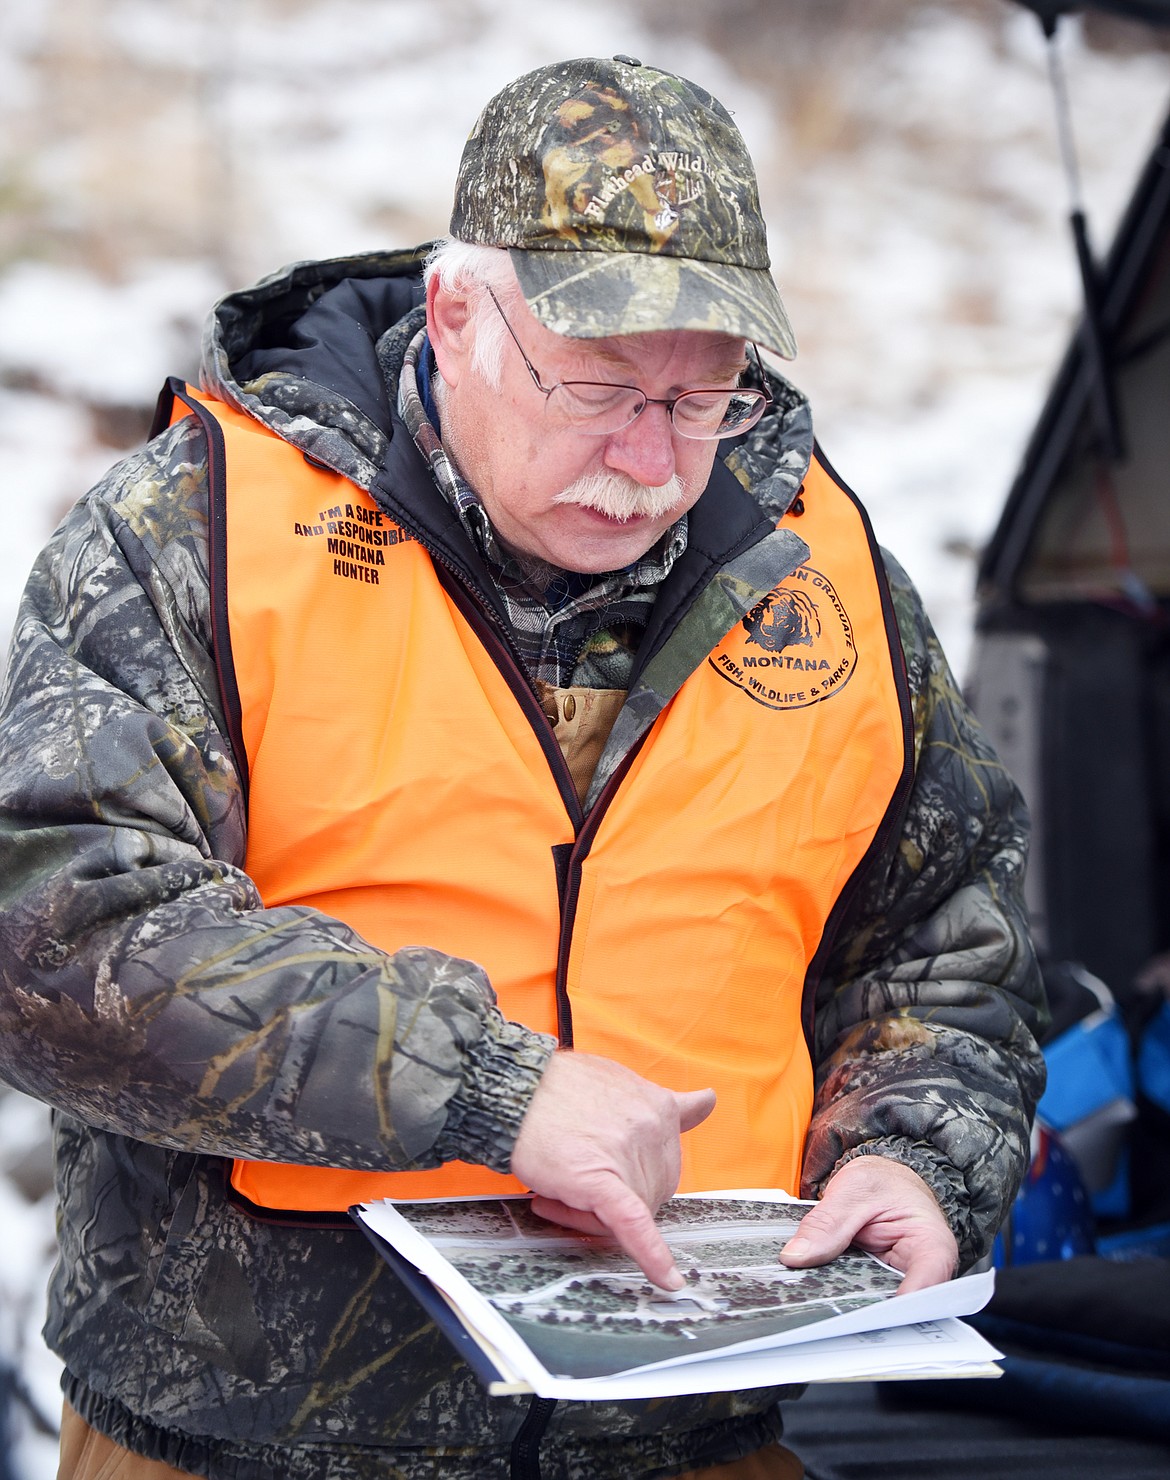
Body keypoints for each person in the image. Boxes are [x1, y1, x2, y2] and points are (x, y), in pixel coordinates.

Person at [0, 55, 1046, 1480]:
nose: (646, 457)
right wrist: (492, 1090)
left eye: (702, 399)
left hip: (698, 1426)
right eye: (598, 384)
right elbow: (60, 933)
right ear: (452, 315)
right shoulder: (192, 530)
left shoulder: (822, 561)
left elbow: (941, 932)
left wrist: (917, 1154)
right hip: (248, 1441)